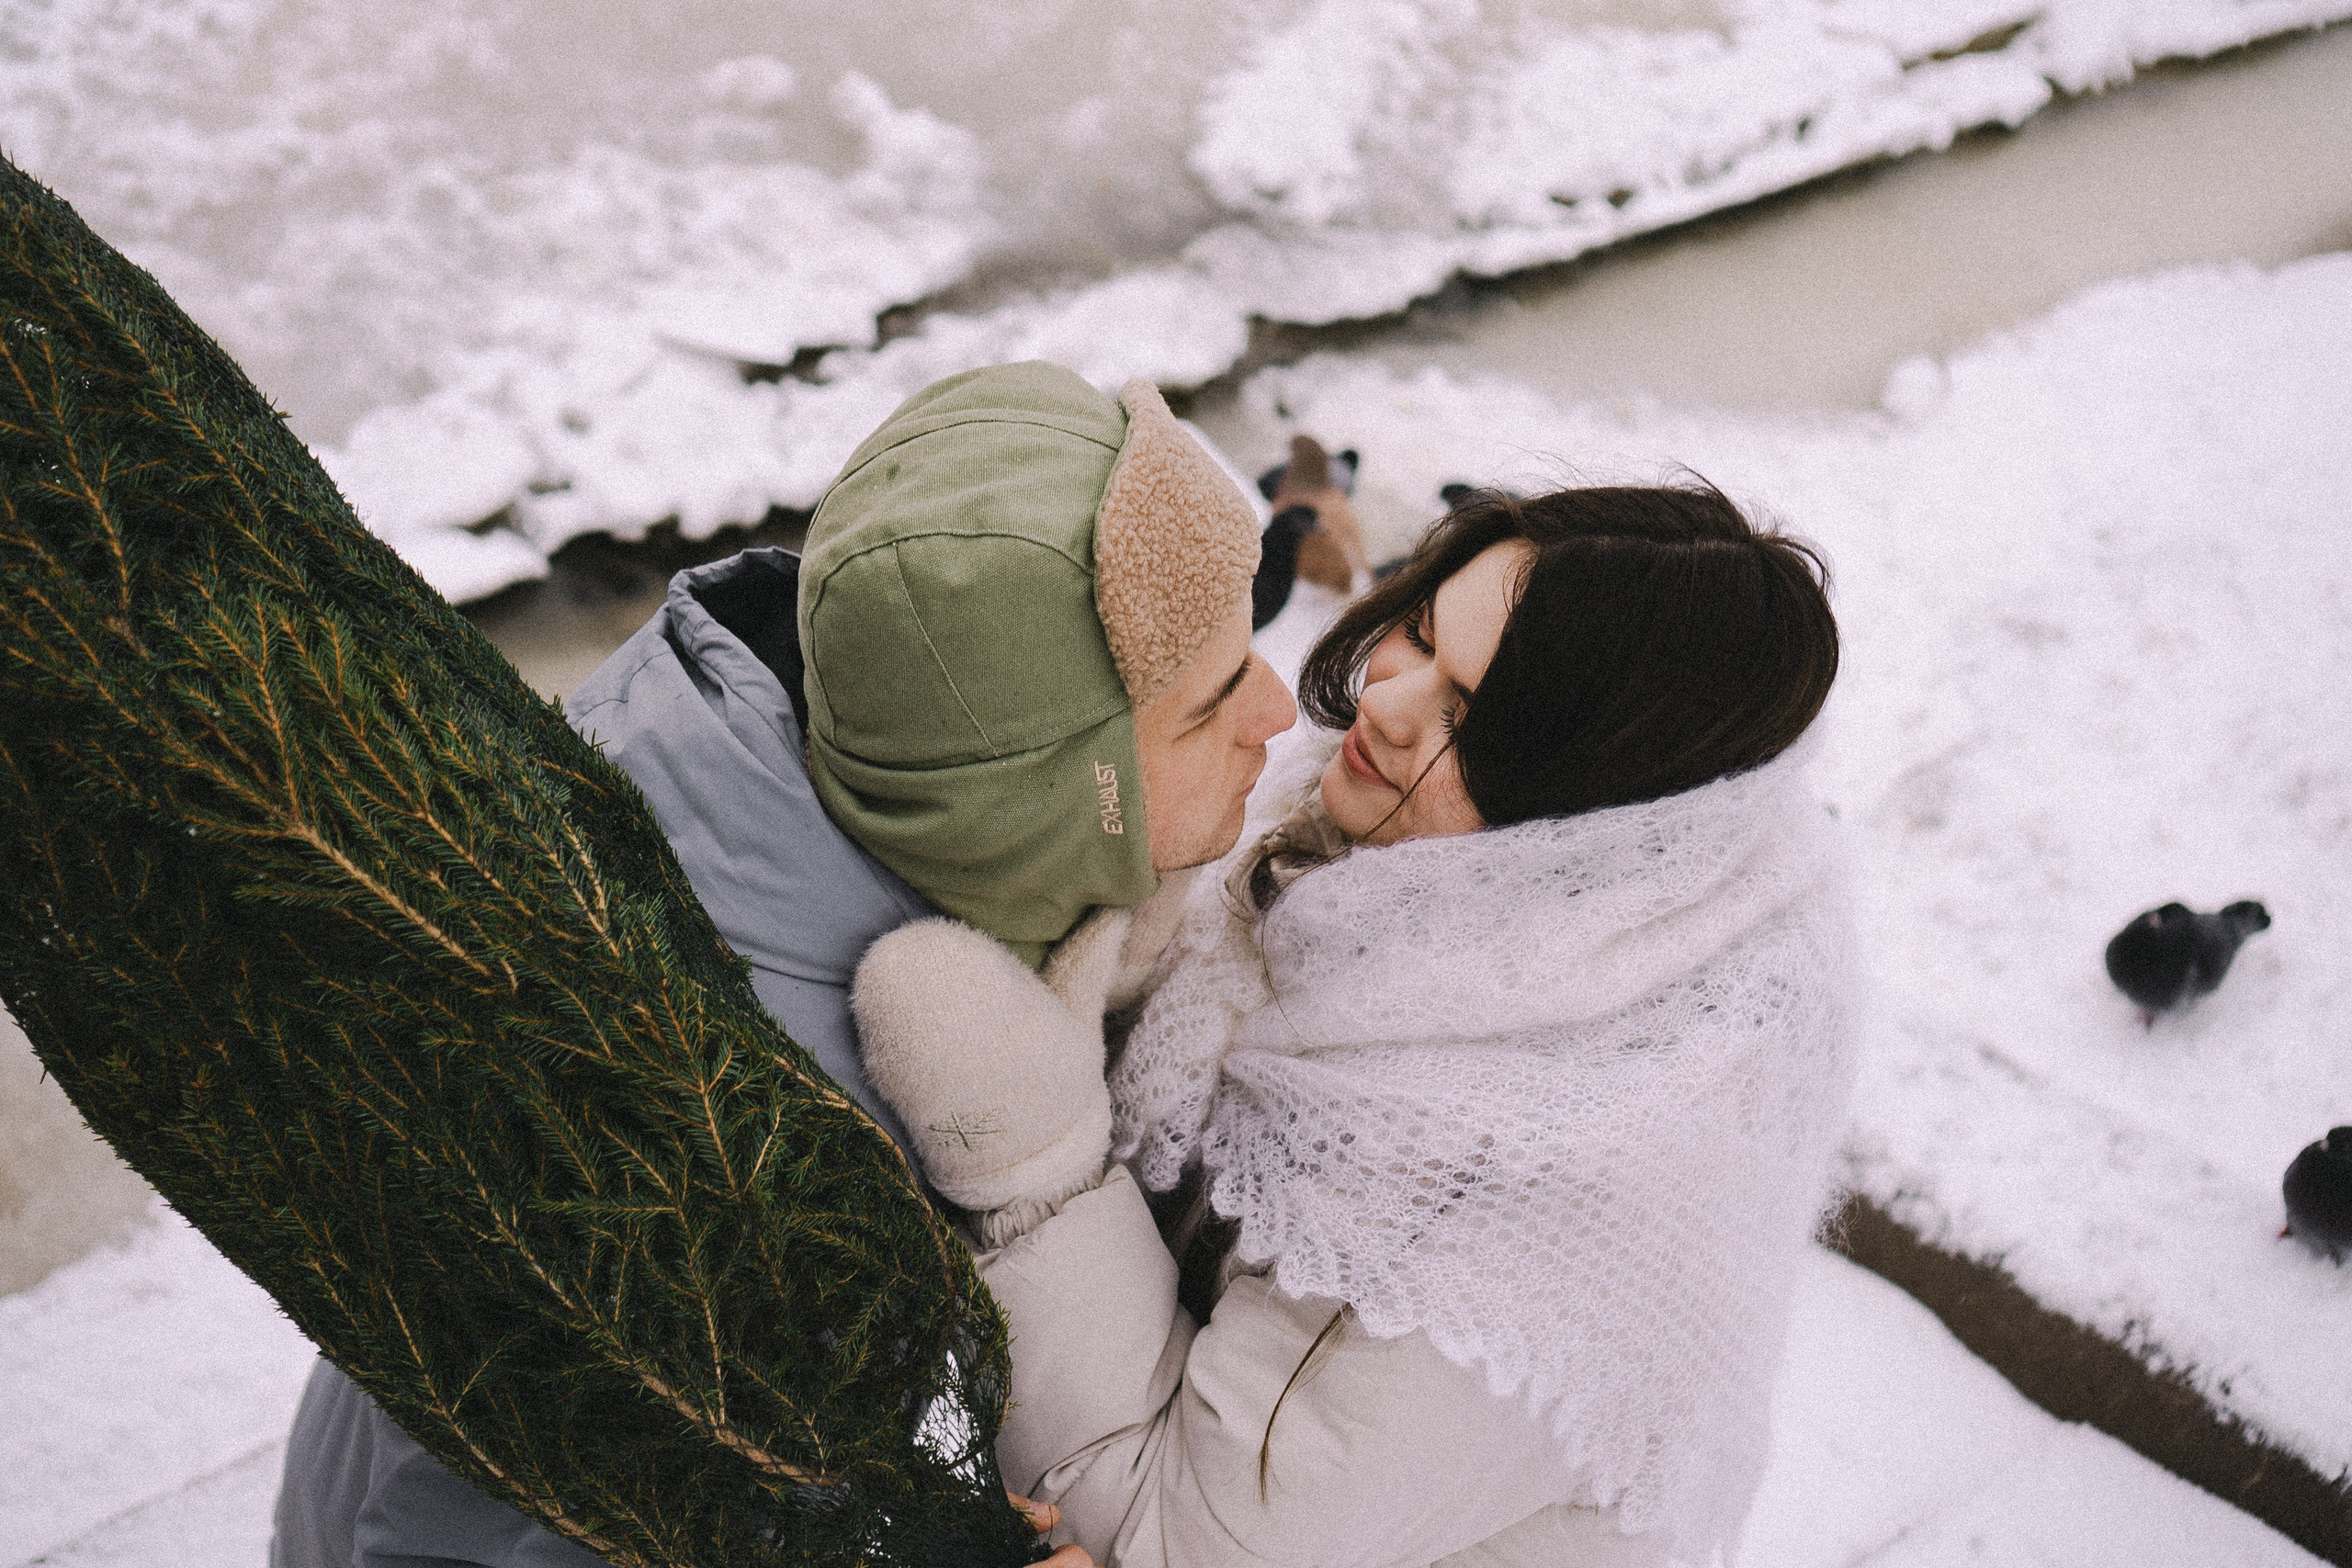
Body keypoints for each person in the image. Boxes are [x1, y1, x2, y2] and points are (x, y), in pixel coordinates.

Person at [267, 361, 1294, 1568]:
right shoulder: (733, 1141)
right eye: (1209, 703)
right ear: (1044, 800)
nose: (1278, 710)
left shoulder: (782, 789)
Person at [851, 482, 1858, 1567]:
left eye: (1468, 716)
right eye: (1418, 630)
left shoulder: (1506, 1200)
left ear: (1587, 815)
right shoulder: (1411, 865)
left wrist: (1032, 1162)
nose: (1384, 702)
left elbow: (1168, 1540)